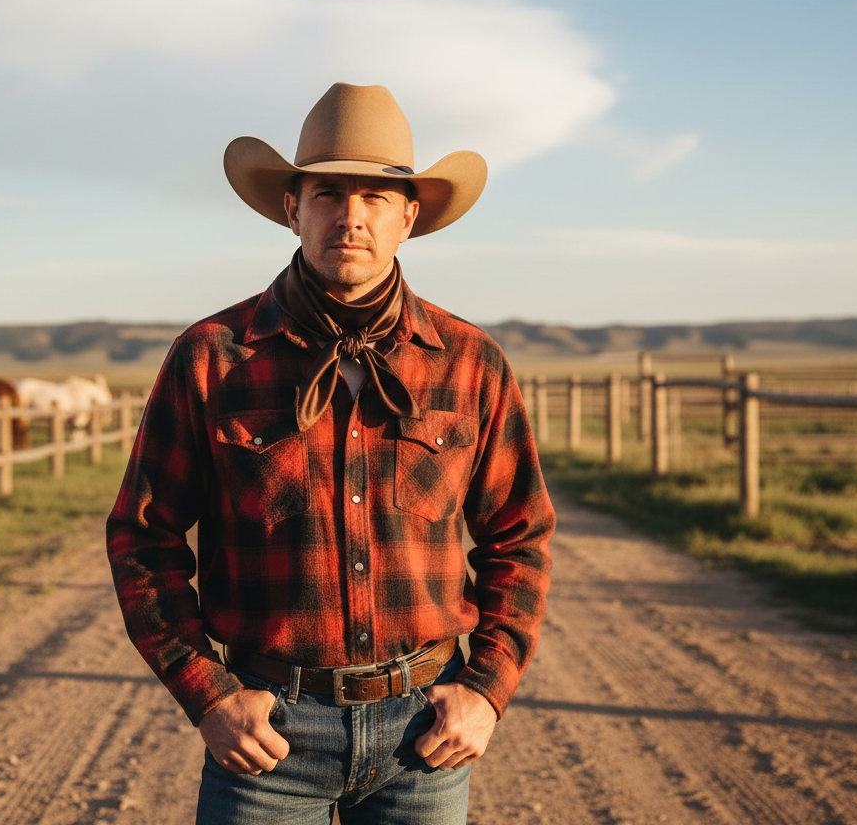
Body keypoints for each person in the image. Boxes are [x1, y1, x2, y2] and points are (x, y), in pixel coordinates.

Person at [107, 82, 555, 824]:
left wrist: (487, 687)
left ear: (410, 216)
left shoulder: (471, 363)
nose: (351, 217)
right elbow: (142, 536)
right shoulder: (212, 358)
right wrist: (208, 693)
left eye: (377, 196)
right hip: (267, 738)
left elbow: (521, 535)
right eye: (328, 194)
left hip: (425, 736)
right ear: (292, 208)